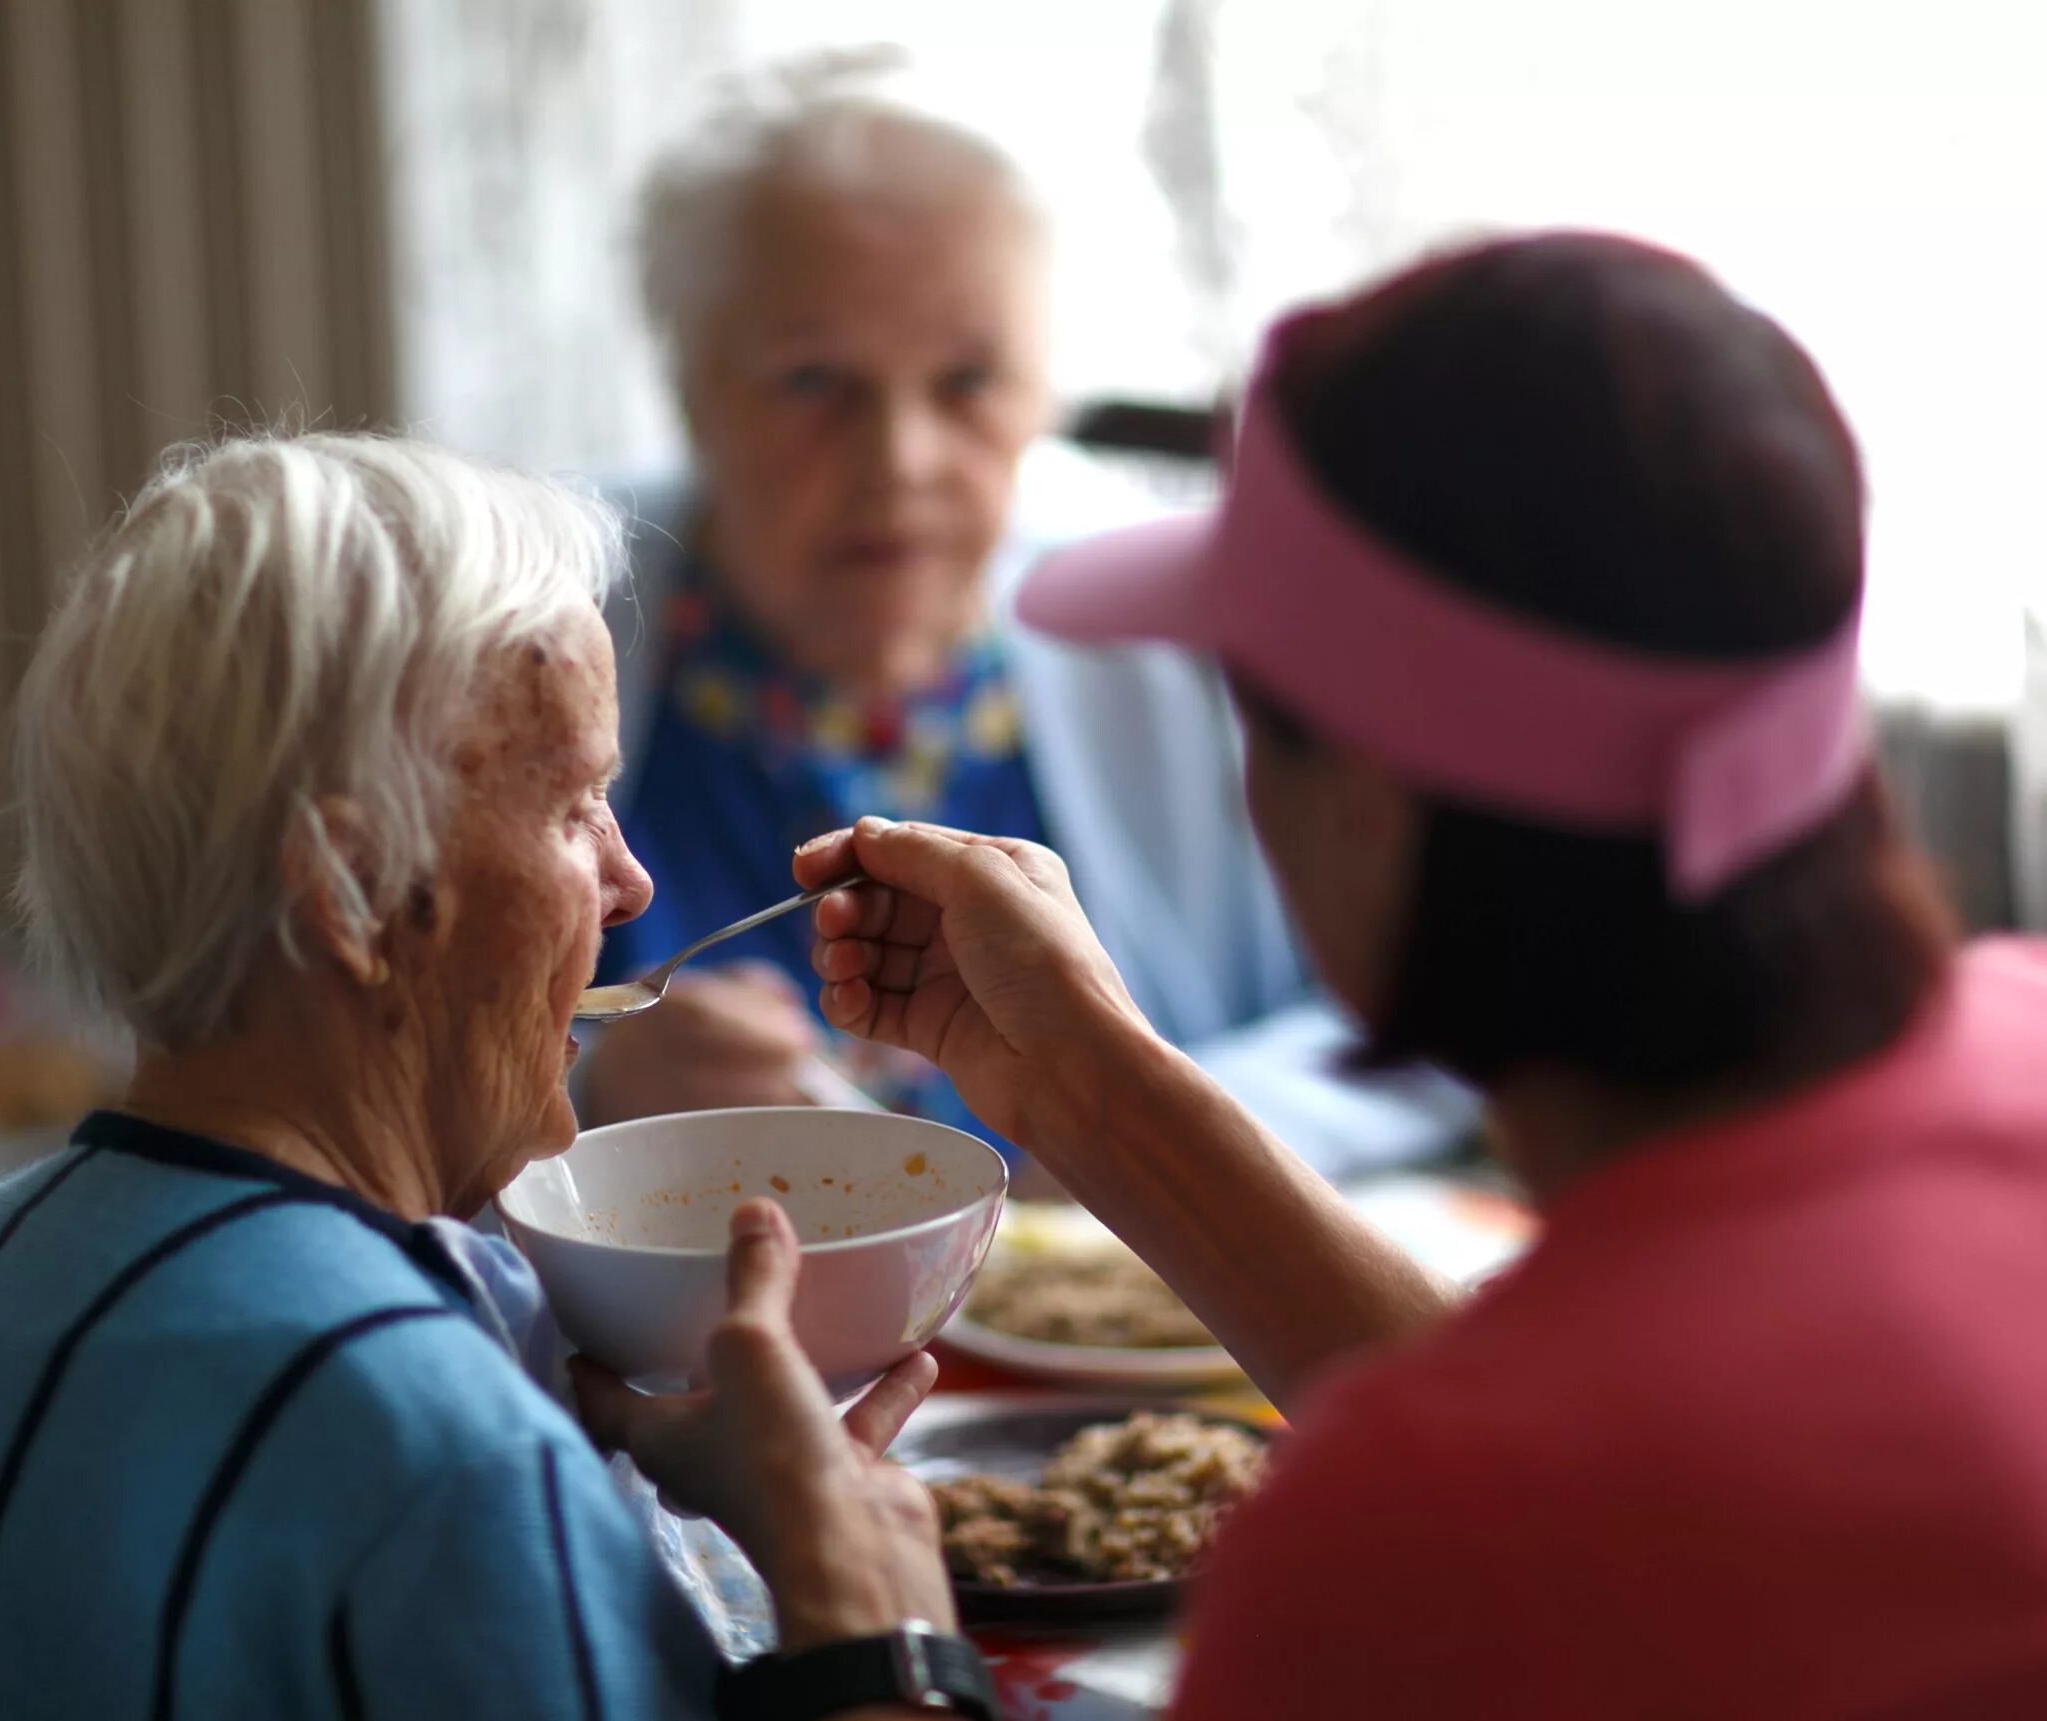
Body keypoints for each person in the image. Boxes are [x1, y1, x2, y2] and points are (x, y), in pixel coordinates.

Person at [776, 233, 2047, 1716]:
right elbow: (1611, 1458)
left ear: (1368, 803)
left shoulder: (1399, 1557)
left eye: (1246, 710)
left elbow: (1530, 1496)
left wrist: (873, 1663)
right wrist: (1093, 1091)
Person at [0, 434, 978, 1720]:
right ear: (356, 891)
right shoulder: (447, 1453)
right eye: (574, 802)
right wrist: (875, 1634)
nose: (631, 882)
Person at [580, 48, 1475, 1178]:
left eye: (967, 382)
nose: (898, 463)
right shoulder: (528, 627)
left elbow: (1422, 1015)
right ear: (691, 384)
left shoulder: (1176, 644)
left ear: (1044, 390)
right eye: (813, 382)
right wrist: (586, 1086)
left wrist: (1141, 1130)